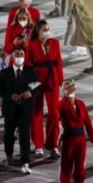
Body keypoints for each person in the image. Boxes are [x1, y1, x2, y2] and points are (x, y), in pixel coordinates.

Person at [0, 48, 40, 174]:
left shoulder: (30, 71)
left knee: (24, 135)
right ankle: (9, 154)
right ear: (12, 56)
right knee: (9, 134)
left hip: (25, 109)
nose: (20, 57)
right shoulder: (5, 73)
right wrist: (10, 96)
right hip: (10, 108)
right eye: (17, 54)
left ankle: (25, 161)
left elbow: (37, 85)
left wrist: (30, 93)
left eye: (22, 54)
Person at [25, 19, 64, 159]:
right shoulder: (32, 45)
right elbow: (28, 65)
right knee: (37, 112)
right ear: (38, 31)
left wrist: (61, 79)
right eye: (44, 30)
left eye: (48, 29)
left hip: (52, 78)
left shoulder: (54, 43)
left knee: (54, 113)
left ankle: (53, 144)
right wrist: (29, 83)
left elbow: (58, 61)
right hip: (37, 79)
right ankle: (38, 144)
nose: (47, 32)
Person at [59, 80, 93, 183]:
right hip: (69, 140)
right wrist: (66, 98)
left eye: (72, 87)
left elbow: (87, 122)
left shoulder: (81, 104)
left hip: (81, 140)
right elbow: (60, 112)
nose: (71, 89)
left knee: (80, 168)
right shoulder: (62, 105)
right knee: (66, 165)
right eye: (68, 88)